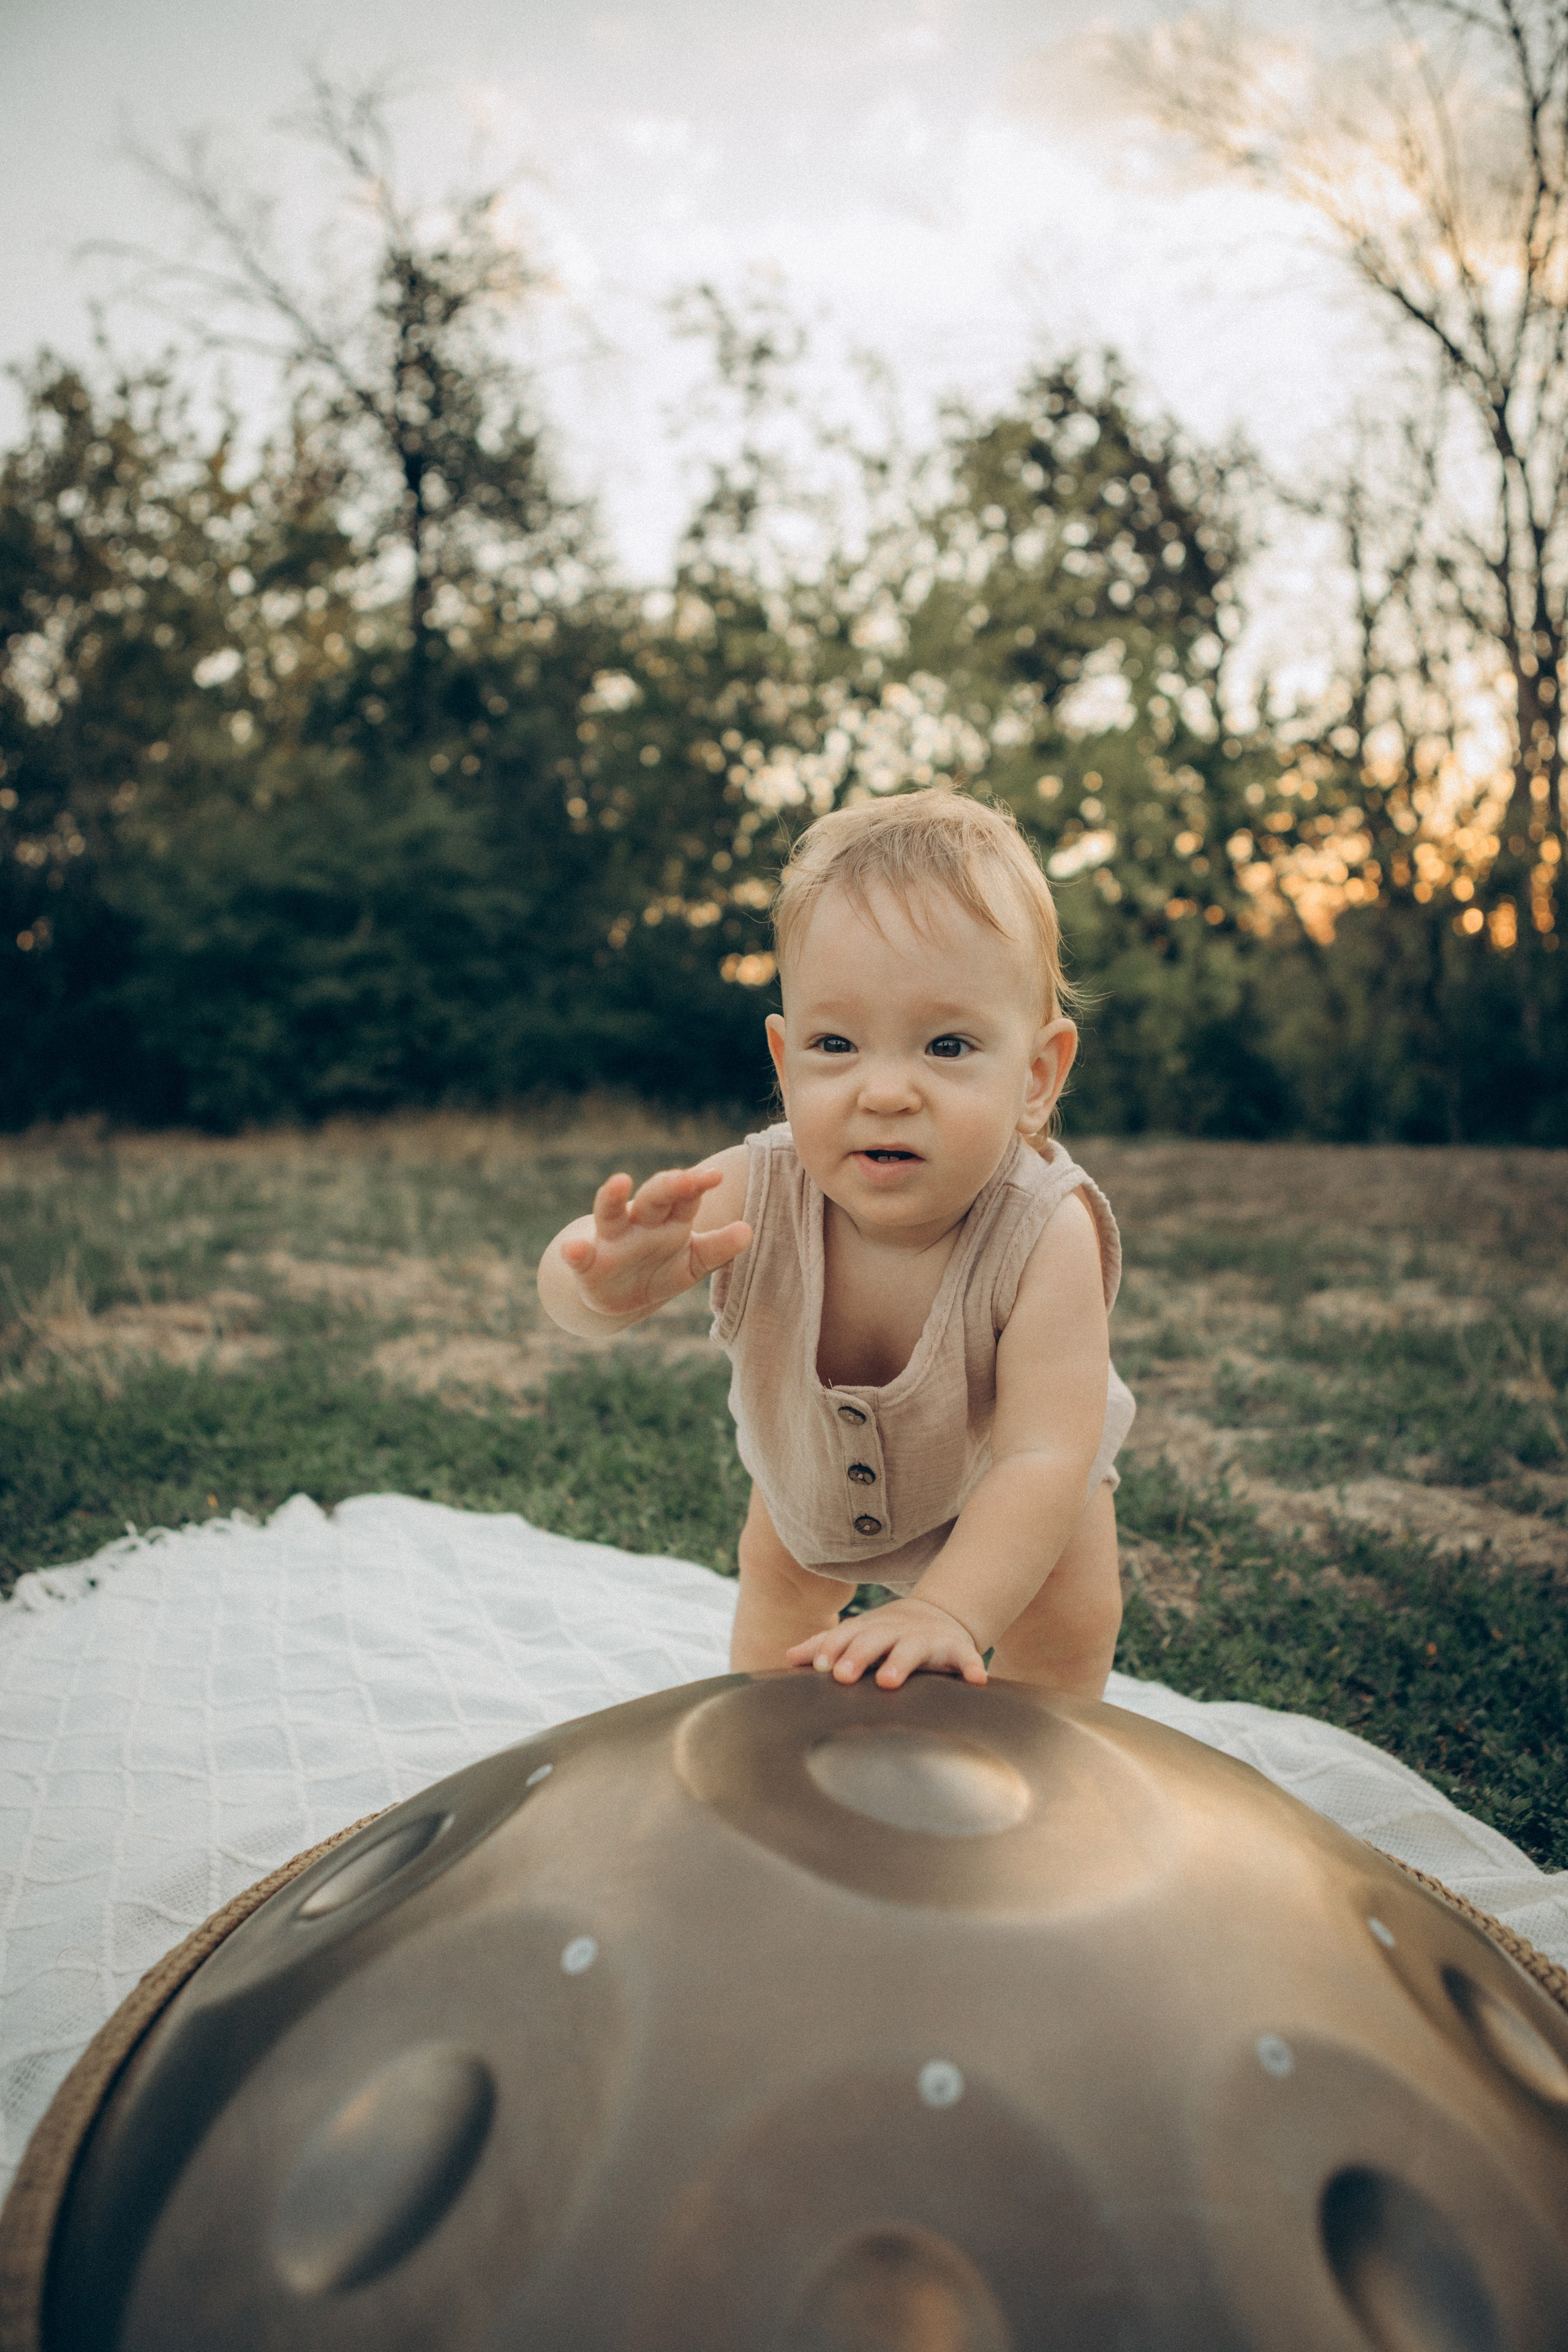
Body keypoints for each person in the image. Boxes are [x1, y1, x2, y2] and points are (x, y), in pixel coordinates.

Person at [538, 791, 1135, 1697]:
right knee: (779, 1606)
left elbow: (1041, 1456)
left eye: (945, 1044)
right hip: (809, 1486)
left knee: (1069, 1623)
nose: (886, 1090)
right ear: (784, 1062)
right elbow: (572, 1282)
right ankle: (763, 1752)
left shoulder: (1046, 1229)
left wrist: (951, 1611)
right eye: (835, 1042)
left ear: (1037, 1076)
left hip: (1007, 1497)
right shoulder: (759, 1185)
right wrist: (596, 1286)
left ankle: (1040, 1789)